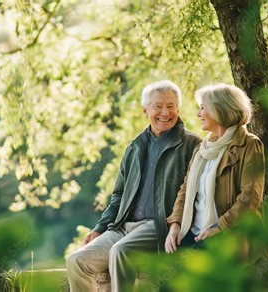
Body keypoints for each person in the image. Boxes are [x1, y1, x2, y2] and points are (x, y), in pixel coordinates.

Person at [66, 80, 201, 292]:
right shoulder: (135, 147)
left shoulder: (192, 145)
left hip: (158, 225)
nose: (165, 112)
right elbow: (118, 195)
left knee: (121, 251)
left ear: (178, 109)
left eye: (171, 106)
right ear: (145, 110)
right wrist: (100, 227)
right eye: (158, 106)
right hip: (123, 226)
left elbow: (193, 195)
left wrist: (175, 224)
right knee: (77, 261)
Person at [165, 83, 268, 263]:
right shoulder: (202, 149)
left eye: (202, 108)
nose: (198, 114)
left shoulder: (249, 144)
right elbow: (185, 190)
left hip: (227, 235)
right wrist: (175, 224)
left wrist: (220, 226)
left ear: (219, 110)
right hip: (194, 233)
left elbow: (250, 196)